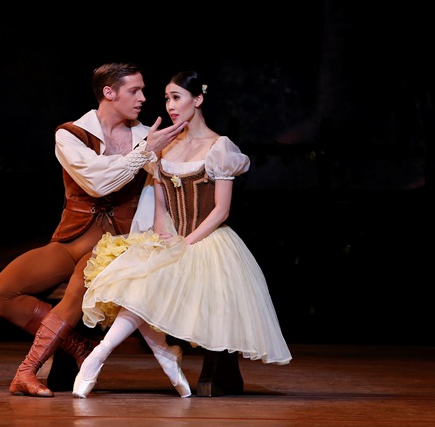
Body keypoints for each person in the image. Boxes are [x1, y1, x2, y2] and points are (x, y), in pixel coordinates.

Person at [72, 70, 293, 399]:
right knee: (136, 284)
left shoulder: (219, 147)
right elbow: (161, 206)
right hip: (174, 235)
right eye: (166, 98)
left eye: (176, 97)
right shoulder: (165, 147)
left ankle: (125, 357)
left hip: (209, 238)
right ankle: (114, 357)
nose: (170, 105)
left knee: (192, 291)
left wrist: (187, 243)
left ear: (198, 100)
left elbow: (221, 210)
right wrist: (161, 240)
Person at [0, 63, 188, 398]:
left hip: (116, 243)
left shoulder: (146, 135)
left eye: (143, 90)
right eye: (134, 90)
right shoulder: (70, 134)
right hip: (72, 237)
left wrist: (148, 150)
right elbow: (96, 182)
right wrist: (144, 153)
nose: (143, 98)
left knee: (75, 294)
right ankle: (79, 347)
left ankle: (26, 371)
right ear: (109, 93)